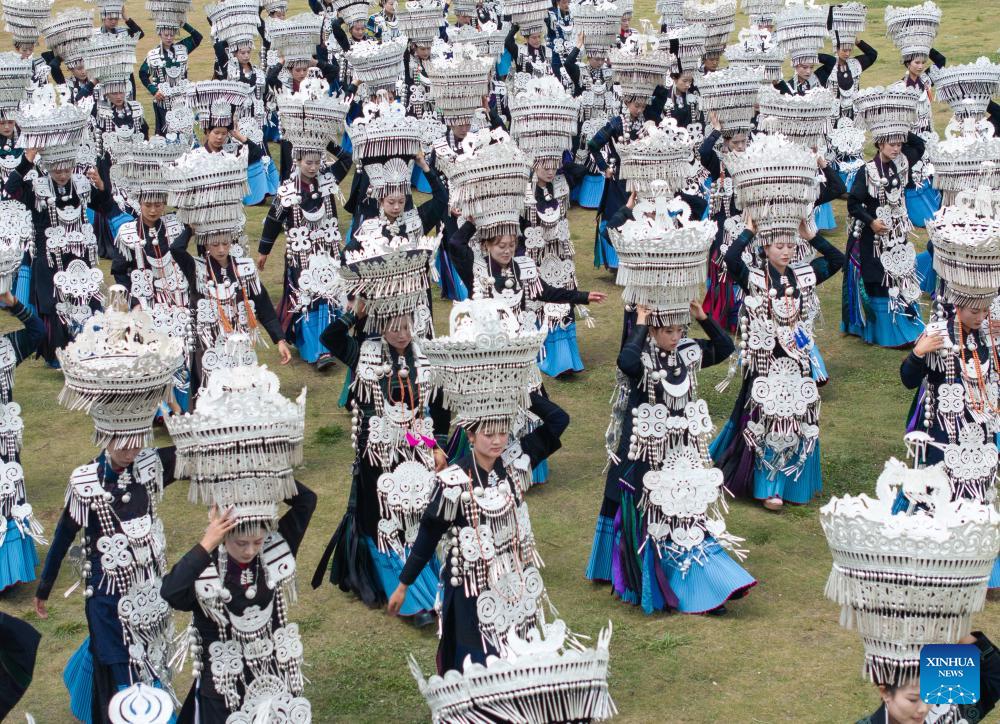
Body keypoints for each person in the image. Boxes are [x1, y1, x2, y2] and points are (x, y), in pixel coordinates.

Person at [34, 295, 186, 724]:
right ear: (104, 434)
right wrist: (45, 588)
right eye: (121, 440)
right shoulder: (85, 482)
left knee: (152, 655)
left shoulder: (153, 465)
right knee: (117, 664)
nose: (130, 447)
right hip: (105, 596)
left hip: (150, 589)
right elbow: (65, 533)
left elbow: (193, 455)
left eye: (136, 438)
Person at [160, 344, 317, 722]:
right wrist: (206, 543)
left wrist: (265, 473)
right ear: (222, 536)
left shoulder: (275, 548)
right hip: (222, 685)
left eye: (257, 541)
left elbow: (306, 502)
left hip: (271, 674)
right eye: (240, 542)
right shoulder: (207, 564)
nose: (250, 549)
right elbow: (171, 593)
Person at [312, 245, 448, 625]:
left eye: (406, 325)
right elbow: (330, 338)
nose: (401, 333)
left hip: (418, 452)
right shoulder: (365, 352)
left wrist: (437, 446)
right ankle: (402, 594)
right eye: (393, 326)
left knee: (417, 516)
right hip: (377, 454)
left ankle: (423, 580)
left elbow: (438, 408)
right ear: (380, 324)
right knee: (381, 519)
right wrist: (355, 311)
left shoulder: (425, 356)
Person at [711, 217, 843, 511]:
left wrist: (813, 236)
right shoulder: (755, 278)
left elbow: (837, 260)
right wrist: (749, 232)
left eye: (790, 245)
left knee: (797, 419)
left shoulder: (804, 275)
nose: (786, 251)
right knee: (766, 420)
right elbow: (730, 258)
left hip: (798, 361)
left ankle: (790, 483)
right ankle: (767, 485)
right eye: (779, 246)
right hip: (765, 360)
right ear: (766, 248)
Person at [259, 102, 353, 370]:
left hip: (329, 249)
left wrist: (327, 142)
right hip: (300, 255)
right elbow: (273, 220)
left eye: (317, 161)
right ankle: (317, 349)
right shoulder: (287, 190)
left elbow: (347, 159)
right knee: (309, 296)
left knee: (331, 293)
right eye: (308, 162)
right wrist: (264, 251)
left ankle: (328, 344)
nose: (313, 167)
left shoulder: (327, 179)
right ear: (297, 161)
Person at [4, 145, 115, 364]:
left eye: (66, 170)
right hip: (48, 257)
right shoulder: (37, 188)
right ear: (47, 168)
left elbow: (104, 205)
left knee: (86, 299)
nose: (62, 175)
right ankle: (57, 353)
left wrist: (102, 187)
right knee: (52, 305)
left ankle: (89, 347)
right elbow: (10, 189)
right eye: (57, 171)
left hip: (79, 255)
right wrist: (28, 159)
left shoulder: (80, 185)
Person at [843, 129, 926, 348]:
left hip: (898, 235)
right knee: (881, 280)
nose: (896, 149)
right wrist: (871, 222)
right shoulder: (867, 171)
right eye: (892, 144)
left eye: (899, 144)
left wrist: (896, 124)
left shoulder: (901, 164)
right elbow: (853, 203)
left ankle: (907, 325)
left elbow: (920, 146)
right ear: (880, 144)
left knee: (902, 275)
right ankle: (887, 332)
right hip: (874, 238)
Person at [0, 290, 45, 592]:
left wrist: (13, 302)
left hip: (3, 444)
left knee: (6, 500)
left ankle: (8, 572)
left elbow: (38, 332)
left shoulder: (5, 349)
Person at [856, 632, 1000, 724]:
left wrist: (955, 631)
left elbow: (994, 675)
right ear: (885, 692)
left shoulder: (949, 709)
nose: (923, 709)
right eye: (913, 699)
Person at [699, 111, 749, 331]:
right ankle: (724, 311)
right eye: (735, 142)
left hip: (746, 223)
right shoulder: (717, 163)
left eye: (743, 141)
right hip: (723, 224)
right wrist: (716, 131)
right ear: (727, 142)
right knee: (722, 264)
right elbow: (702, 151)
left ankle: (744, 312)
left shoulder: (752, 161)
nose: (740, 146)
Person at [139, 21, 204, 136]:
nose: (169, 38)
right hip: (163, 101)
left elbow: (198, 37)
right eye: (166, 35)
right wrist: (153, 91)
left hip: (182, 99)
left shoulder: (182, 48)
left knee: (185, 131)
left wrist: (183, 24)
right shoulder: (153, 54)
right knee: (165, 133)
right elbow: (142, 73)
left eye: (172, 35)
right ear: (160, 34)